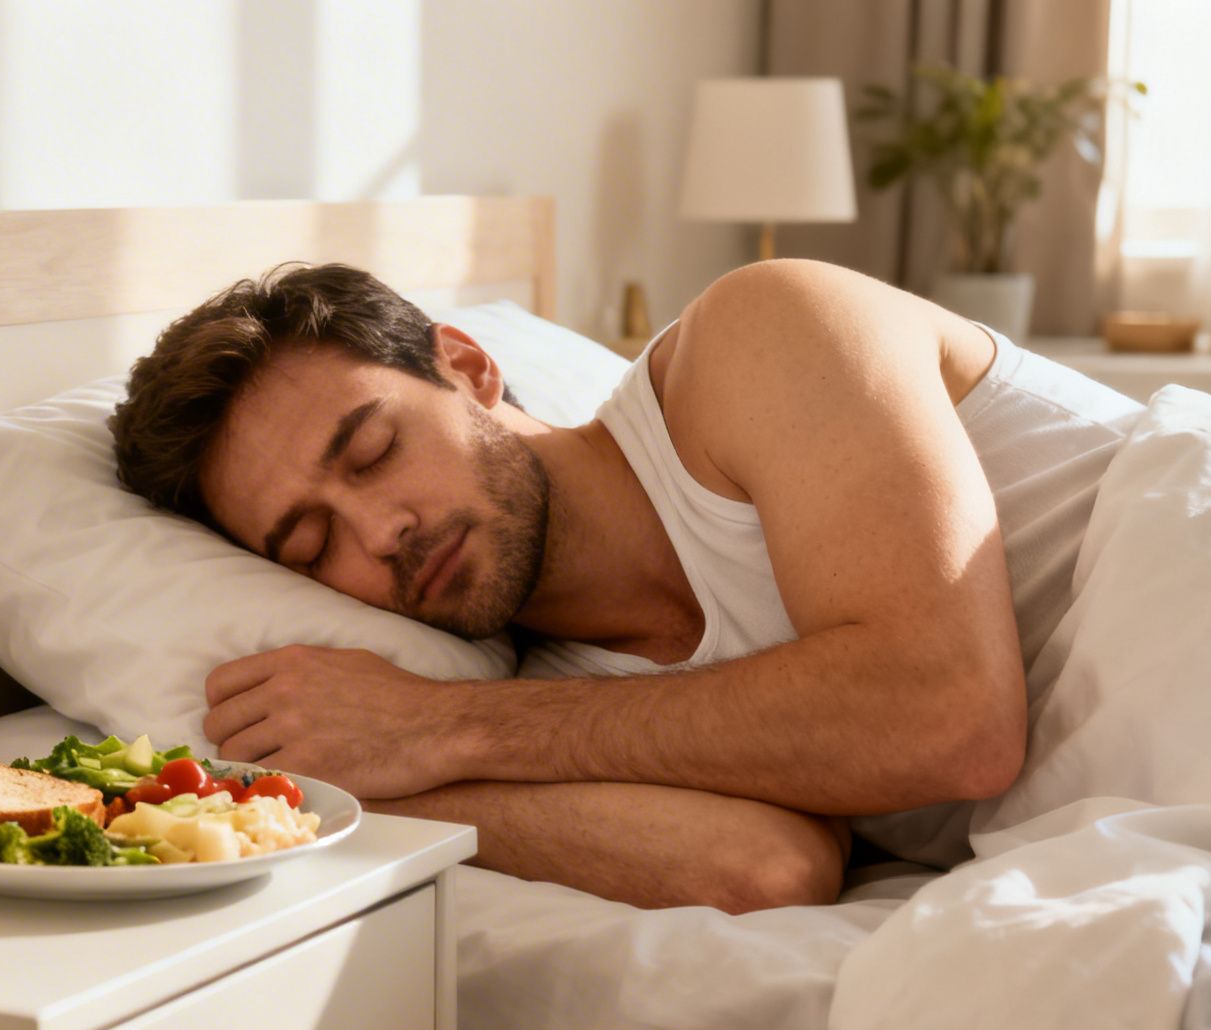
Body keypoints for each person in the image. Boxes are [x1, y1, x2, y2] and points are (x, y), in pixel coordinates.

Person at [108, 260, 1140, 912]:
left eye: (374, 451)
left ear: (466, 368)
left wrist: (443, 729)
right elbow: (762, 870)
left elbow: (950, 714)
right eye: (307, 545)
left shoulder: (755, 337)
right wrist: (355, 779)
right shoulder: (552, 695)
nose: (381, 535)